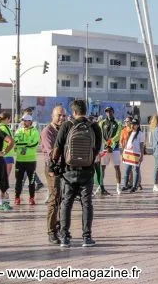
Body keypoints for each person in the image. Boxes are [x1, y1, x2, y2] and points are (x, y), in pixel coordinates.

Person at [53, 99, 102, 247]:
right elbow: (97, 149)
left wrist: (54, 164)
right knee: (86, 203)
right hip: (87, 171)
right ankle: (87, 237)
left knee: (66, 203)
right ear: (85, 111)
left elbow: (57, 148)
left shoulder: (67, 125)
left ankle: (65, 237)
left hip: (69, 171)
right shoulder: (94, 127)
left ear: (74, 112)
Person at [40, 106, 66, 243]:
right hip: (52, 168)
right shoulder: (47, 131)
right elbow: (51, 153)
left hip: (64, 167)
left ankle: (61, 227)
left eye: (64, 116)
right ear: (52, 115)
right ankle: (51, 231)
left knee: (64, 198)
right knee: (54, 198)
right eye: (59, 115)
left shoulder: (63, 129)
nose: (62, 118)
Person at [13, 113, 41, 206]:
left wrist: (22, 144)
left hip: (31, 160)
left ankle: (31, 198)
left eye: (26, 120)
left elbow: (34, 144)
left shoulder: (35, 132)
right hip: (20, 160)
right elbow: (16, 143)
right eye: (23, 120)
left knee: (31, 181)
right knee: (18, 181)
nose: (24, 122)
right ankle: (17, 198)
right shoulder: (19, 131)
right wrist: (26, 143)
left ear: (31, 121)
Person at [95, 107, 122, 196]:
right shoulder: (101, 122)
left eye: (110, 111)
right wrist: (106, 144)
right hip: (105, 148)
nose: (108, 113)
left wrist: (111, 144)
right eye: (107, 112)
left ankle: (118, 186)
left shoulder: (118, 123)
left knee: (117, 167)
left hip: (115, 148)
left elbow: (118, 135)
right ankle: (100, 185)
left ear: (113, 112)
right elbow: (100, 135)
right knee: (102, 168)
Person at [0, 112, 15, 211]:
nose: (10, 120)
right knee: (3, 180)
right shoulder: (3, 128)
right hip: (6, 156)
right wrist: (4, 152)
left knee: (2, 180)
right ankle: (3, 202)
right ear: (6, 119)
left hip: (6, 156)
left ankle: (2, 201)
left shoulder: (1, 127)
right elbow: (10, 141)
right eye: (9, 118)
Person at [120, 121, 143, 193]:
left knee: (136, 170)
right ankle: (125, 185)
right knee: (127, 170)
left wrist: (141, 155)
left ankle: (134, 186)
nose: (132, 125)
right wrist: (123, 153)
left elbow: (141, 145)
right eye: (132, 124)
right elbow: (126, 143)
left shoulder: (140, 134)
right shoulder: (130, 132)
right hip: (128, 154)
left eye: (134, 124)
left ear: (138, 125)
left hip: (136, 154)